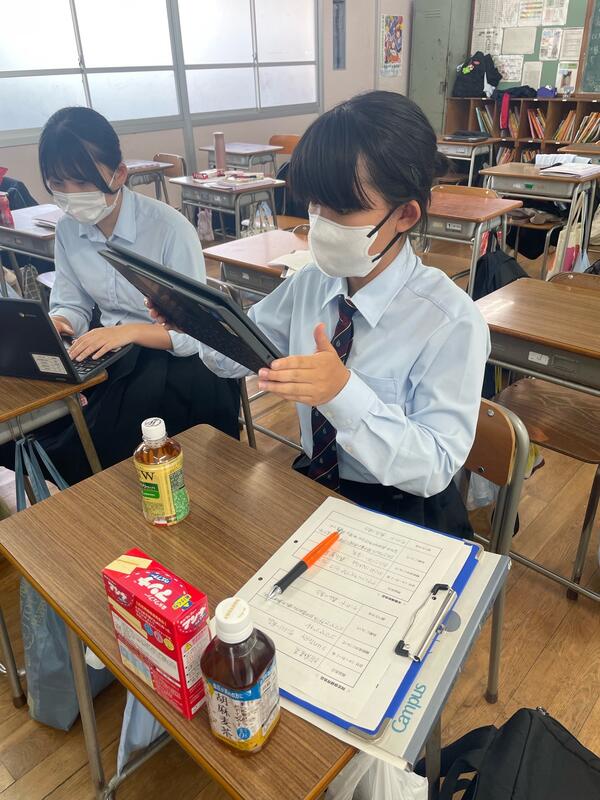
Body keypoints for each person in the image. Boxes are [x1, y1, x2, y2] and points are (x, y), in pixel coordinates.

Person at [151, 91, 490, 537]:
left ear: (406, 215)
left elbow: (434, 466)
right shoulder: (312, 282)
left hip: (404, 508)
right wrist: (199, 325)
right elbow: (237, 358)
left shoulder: (449, 321)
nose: (320, 222)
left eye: (342, 209)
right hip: (317, 483)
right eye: (314, 203)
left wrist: (342, 393)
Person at [38, 106, 239, 483]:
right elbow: (71, 301)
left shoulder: (168, 229)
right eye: (58, 184)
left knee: (114, 447)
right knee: (47, 431)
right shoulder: (68, 230)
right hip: (115, 355)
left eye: (81, 182)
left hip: (178, 362)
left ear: (119, 174)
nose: (70, 195)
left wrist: (127, 332)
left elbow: (196, 336)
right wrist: (59, 323)